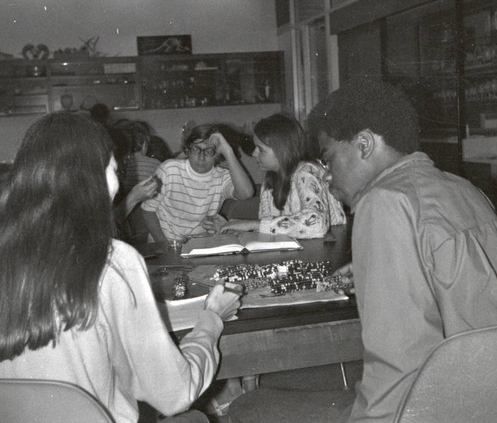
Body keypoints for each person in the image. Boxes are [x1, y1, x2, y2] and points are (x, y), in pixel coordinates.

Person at [229, 76, 497, 423]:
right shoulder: (464, 188)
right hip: (484, 398)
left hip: (434, 408)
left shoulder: (384, 201)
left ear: (365, 144)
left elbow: (397, 364)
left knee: (248, 407)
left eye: (328, 159)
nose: (325, 176)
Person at [0, 112, 242, 423]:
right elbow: (175, 394)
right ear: (101, 178)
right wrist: (211, 319)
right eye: (116, 169)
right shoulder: (113, 261)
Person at [221, 113, 345, 238]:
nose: (254, 153)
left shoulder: (307, 172)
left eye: (260, 149)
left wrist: (253, 225)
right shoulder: (270, 180)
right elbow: (271, 228)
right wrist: (245, 231)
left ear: (281, 150)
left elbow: (317, 224)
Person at [141, 123, 254, 242]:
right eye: (196, 149)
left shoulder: (221, 177)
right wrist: (165, 245)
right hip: (165, 242)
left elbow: (246, 193)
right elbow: (147, 210)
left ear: (218, 155)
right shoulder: (169, 169)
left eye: (209, 151)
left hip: (199, 245)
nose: (201, 157)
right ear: (187, 150)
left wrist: (228, 151)